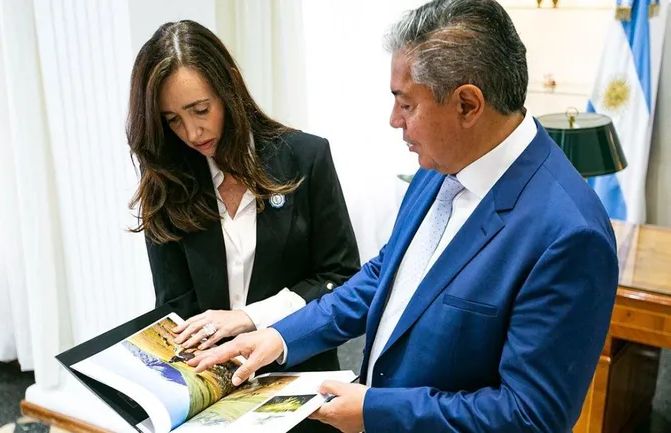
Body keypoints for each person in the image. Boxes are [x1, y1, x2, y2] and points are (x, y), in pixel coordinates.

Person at [189, 1, 620, 432]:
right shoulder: (441, 164)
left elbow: (529, 417)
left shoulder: (570, 234)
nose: (394, 120)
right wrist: (281, 336)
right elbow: (388, 275)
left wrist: (375, 411)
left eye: (407, 105)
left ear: (467, 105)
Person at [126, 20, 361, 433]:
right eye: (173, 120)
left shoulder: (306, 158)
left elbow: (339, 278)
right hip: (213, 394)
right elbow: (175, 308)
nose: (192, 132)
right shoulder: (166, 183)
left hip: (300, 381)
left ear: (229, 87)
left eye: (200, 110)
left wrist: (249, 318)